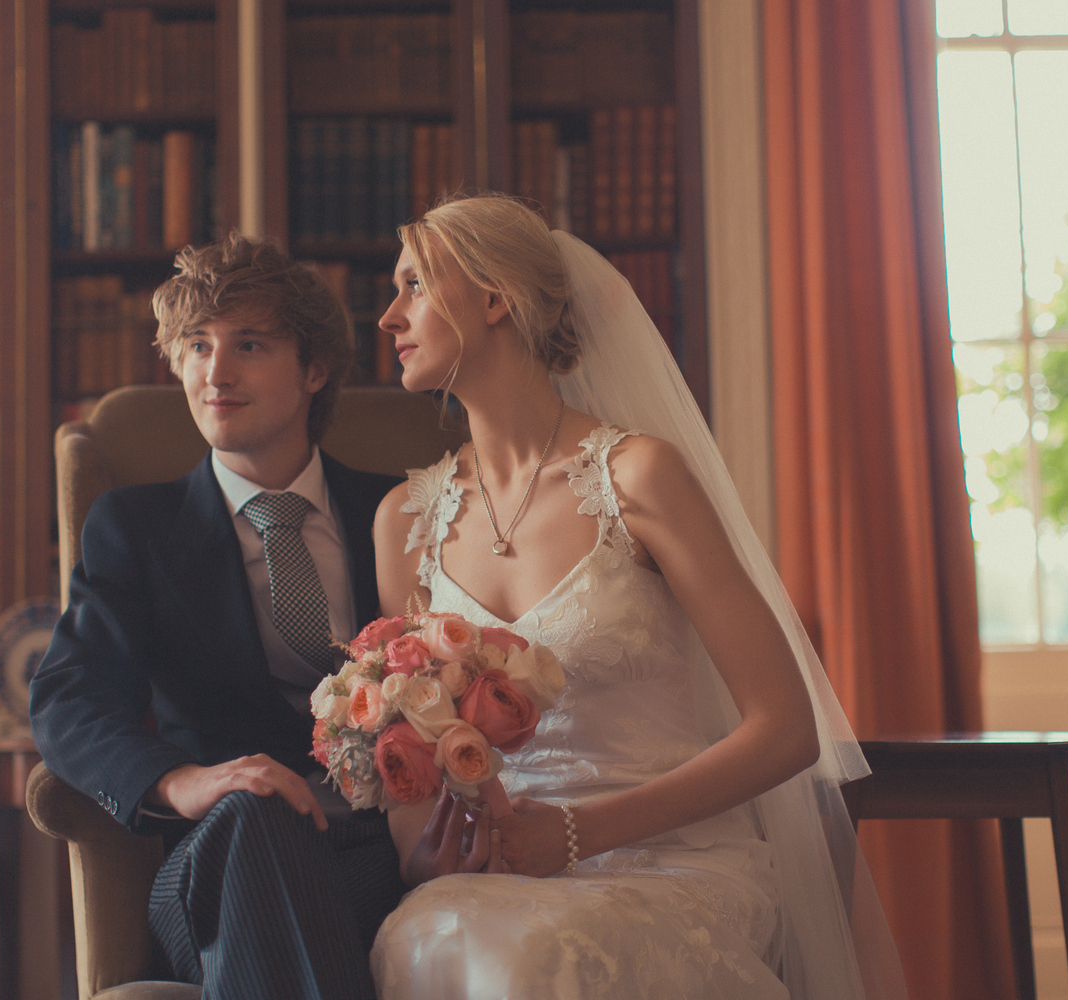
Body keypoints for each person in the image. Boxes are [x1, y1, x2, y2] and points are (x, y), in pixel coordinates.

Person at [367, 194, 909, 999]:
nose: (387, 316)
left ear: (492, 300)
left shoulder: (637, 479)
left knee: (529, 962)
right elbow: (408, 765)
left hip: (671, 865)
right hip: (496, 884)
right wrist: (423, 844)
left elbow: (788, 730)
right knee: (425, 936)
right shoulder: (405, 518)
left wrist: (579, 834)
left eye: (414, 284)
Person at [30, 233, 407, 1000]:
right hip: (217, 863)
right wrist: (184, 781)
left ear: (315, 369)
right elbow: (69, 701)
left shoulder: (400, 509)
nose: (215, 372)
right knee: (255, 815)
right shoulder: (134, 527)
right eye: (197, 345)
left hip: (381, 854)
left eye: (250, 344)